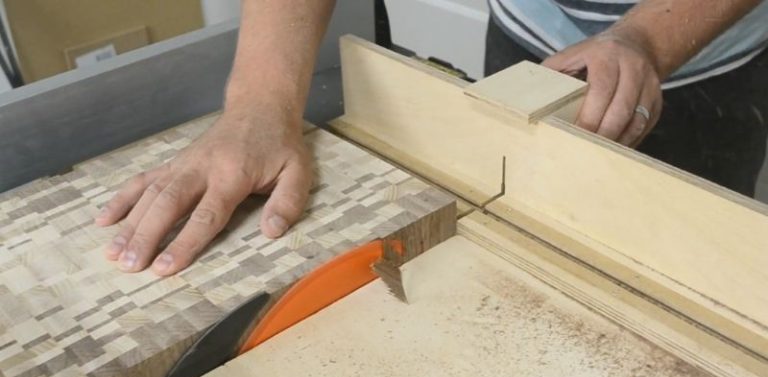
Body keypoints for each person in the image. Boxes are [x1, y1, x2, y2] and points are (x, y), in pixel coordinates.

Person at [95, 0, 768, 276]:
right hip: (533, 42)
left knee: (694, 267)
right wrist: (259, 104)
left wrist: (646, 36)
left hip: (706, 54)